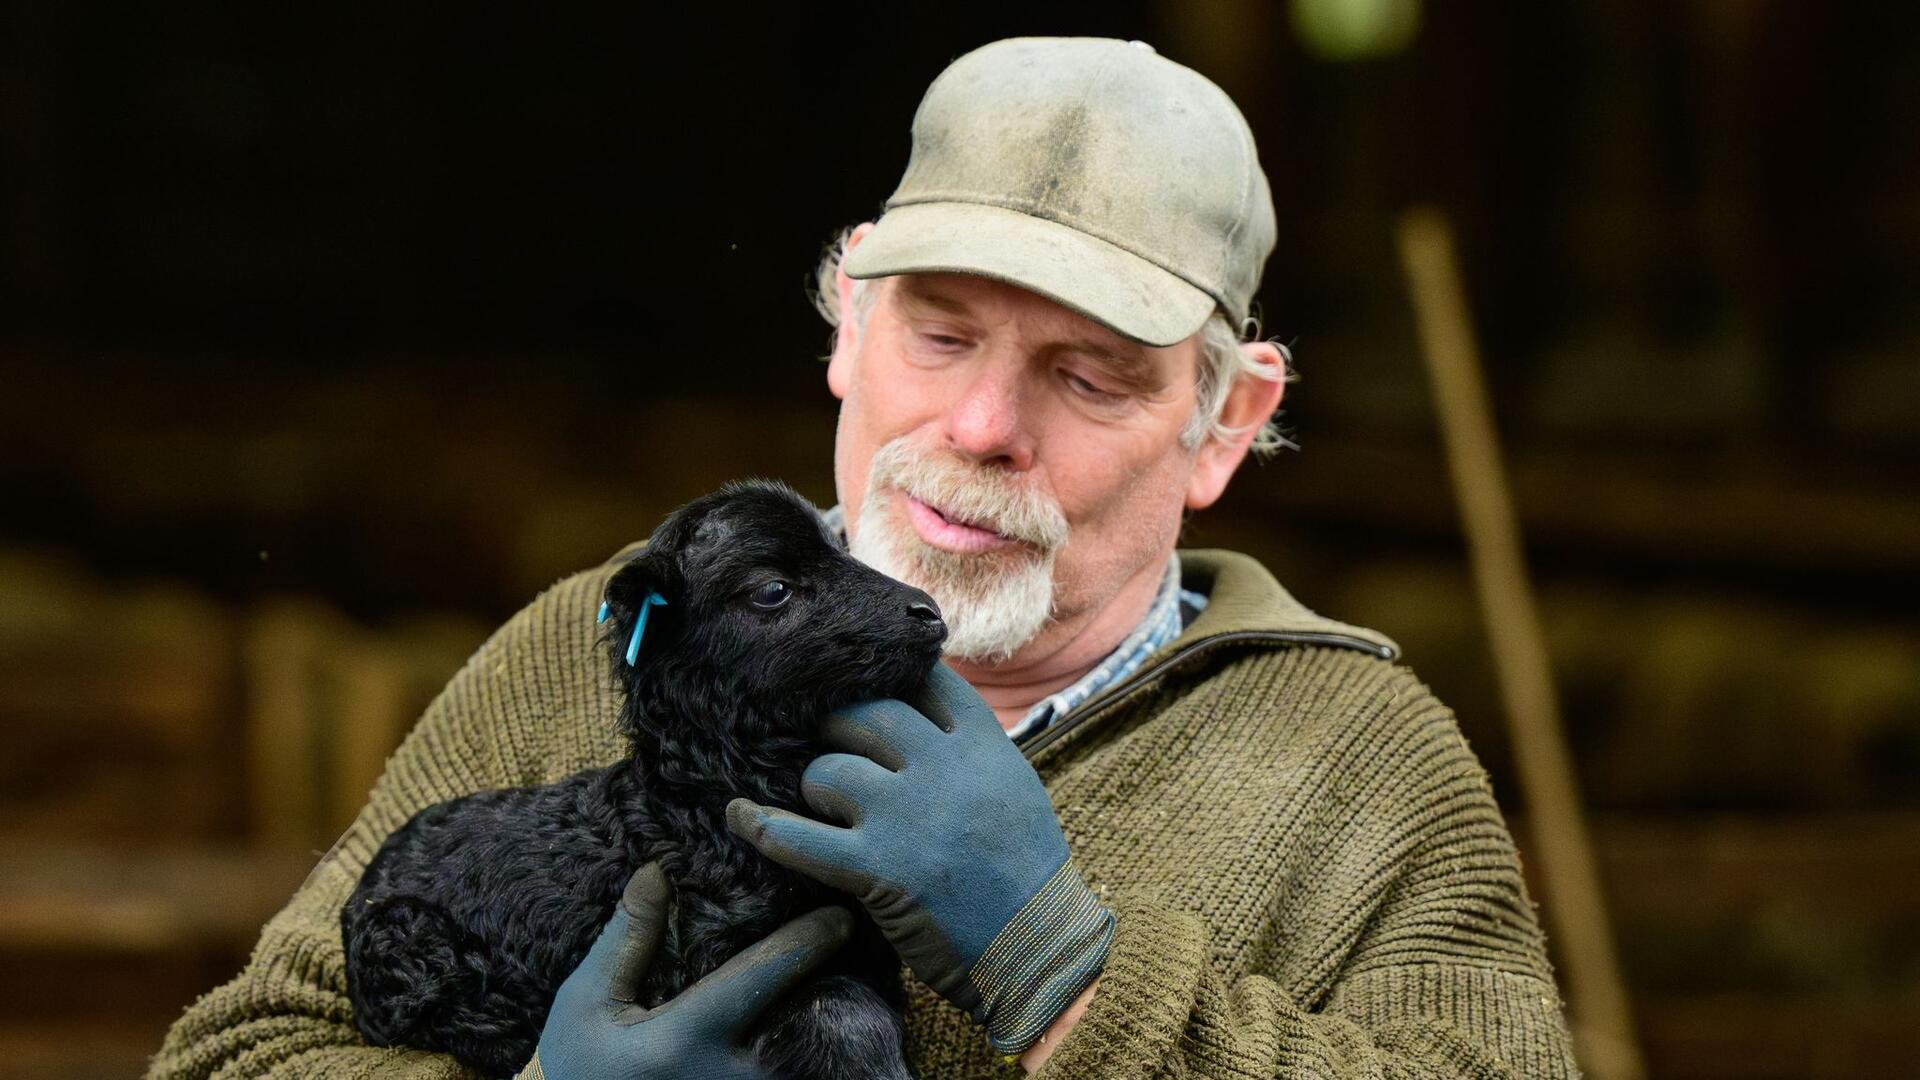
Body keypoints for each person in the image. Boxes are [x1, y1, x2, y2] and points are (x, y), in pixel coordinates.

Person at [151, 37, 1580, 1080]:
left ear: (1225, 422)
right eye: (940, 333)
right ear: (846, 323)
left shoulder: (1364, 768)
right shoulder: (596, 644)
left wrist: (1075, 977)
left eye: (1089, 378)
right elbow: (238, 1056)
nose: (980, 426)